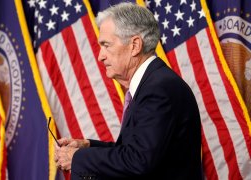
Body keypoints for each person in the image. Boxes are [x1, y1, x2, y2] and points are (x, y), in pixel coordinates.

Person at [55, 2, 202, 180]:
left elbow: (138, 160)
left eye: (106, 45)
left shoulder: (158, 89)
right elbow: (133, 151)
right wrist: (87, 146)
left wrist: (76, 157)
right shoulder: (151, 83)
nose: (100, 56)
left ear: (135, 45)